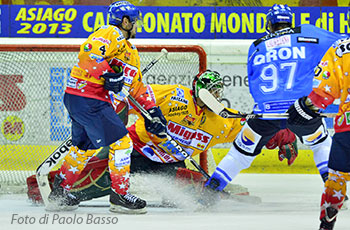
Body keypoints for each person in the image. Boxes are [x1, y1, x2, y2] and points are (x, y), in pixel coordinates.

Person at [27, 71, 297, 203]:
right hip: (135, 149)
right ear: (199, 89)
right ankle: (44, 186)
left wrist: (285, 138)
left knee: (195, 198)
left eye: (218, 92)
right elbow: (133, 99)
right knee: (92, 184)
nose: (216, 96)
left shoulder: (222, 121)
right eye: (212, 90)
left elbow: (259, 127)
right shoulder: (174, 94)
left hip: (168, 164)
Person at [203, 4, 345, 197]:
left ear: (269, 24)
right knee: (321, 144)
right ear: (290, 21)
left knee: (240, 154)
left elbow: (253, 79)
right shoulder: (308, 34)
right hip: (300, 109)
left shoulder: (256, 46)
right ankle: (335, 193)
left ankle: (209, 193)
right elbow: (343, 44)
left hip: (266, 111)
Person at [47, 1, 167, 214]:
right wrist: (107, 74)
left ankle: (60, 193)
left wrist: (152, 112)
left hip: (79, 98)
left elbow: (135, 87)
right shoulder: (111, 32)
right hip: (89, 97)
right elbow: (88, 53)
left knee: (83, 147)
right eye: (135, 21)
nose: (137, 26)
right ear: (125, 21)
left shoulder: (130, 51)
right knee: (122, 144)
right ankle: (119, 195)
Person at [287, 15, 350, 230]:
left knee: (336, 179)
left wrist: (305, 107)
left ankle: (327, 222)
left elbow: (323, 93)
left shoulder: (342, 48)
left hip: (348, 129)